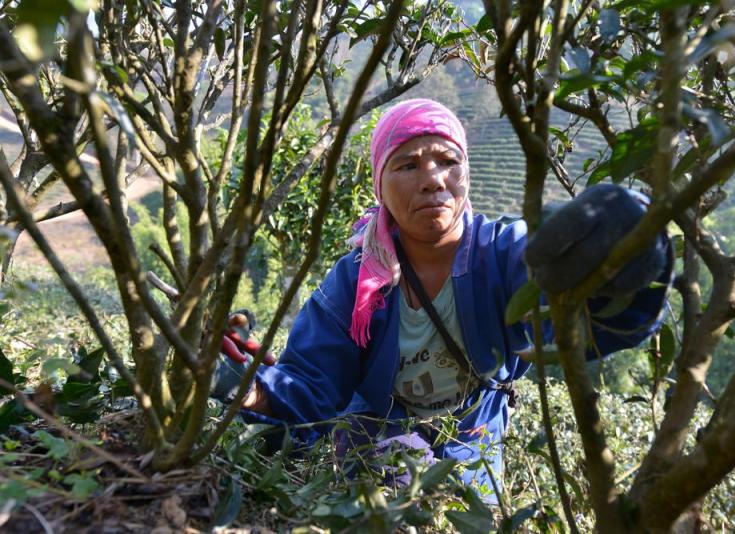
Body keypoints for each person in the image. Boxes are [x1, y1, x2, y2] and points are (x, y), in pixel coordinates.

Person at [213, 98, 672, 499]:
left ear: (466, 171)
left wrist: (637, 250)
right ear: (381, 184)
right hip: (373, 442)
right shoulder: (356, 281)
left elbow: (607, 324)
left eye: (447, 160)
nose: (433, 179)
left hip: (469, 443)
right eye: (407, 165)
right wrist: (249, 388)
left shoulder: (507, 254)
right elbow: (313, 386)